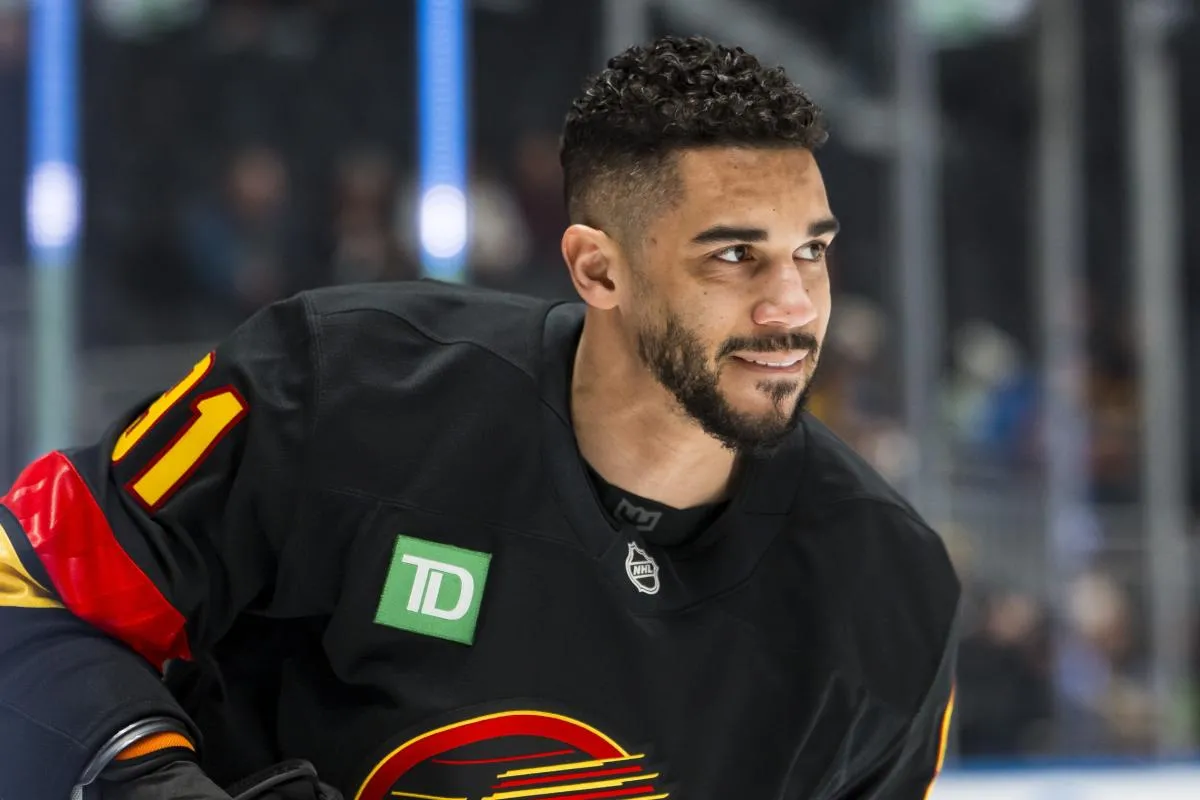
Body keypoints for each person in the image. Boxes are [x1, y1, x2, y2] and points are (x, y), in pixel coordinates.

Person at [0, 35, 959, 799]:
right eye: (733, 257)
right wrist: (148, 781)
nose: (792, 307)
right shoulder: (338, 387)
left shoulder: (890, 593)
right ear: (598, 269)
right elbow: (24, 586)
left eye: (812, 253)